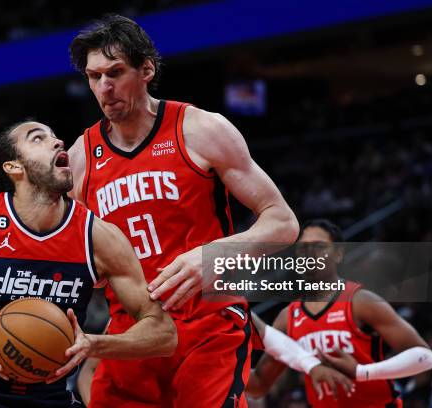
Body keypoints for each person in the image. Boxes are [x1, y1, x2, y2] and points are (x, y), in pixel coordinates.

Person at [68, 14, 300, 407]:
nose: (104, 87)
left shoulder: (200, 129)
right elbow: (76, 260)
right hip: (134, 330)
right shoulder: (80, 158)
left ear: (146, 69)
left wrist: (213, 257)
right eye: (94, 77)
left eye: (115, 72)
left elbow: (282, 222)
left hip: (208, 320)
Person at [0, 122, 176, 407]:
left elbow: (163, 333)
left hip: (52, 396)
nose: (58, 142)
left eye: (56, 136)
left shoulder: (97, 236)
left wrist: (94, 344)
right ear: (14, 168)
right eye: (38, 139)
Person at [246, 219, 432, 407]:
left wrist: (363, 372)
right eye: (303, 248)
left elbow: (425, 357)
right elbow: (258, 386)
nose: (310, 254)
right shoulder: (288, 317)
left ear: (338, 254)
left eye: (319, 247)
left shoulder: (361, 301)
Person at [76, 311, 355, 405]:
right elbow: (89, 371)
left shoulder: (219, 305)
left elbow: (256, 382)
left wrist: (309, 362)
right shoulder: (130, 312)